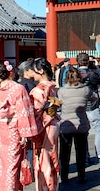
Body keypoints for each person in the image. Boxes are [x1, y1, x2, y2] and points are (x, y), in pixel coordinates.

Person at [0, 59, 39, 191]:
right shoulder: (18, 88)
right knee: (12, 164)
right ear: (11, 73)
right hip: (13, 131)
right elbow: (24, 112)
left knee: (0, 163)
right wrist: (26, 134)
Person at [58, 67, 96, 184]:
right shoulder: (85, 90)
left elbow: (58, 102)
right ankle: (82, 175)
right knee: (81, 152)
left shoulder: (62, 91)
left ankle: (64, 176)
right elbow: (94, 98)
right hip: (82, 124)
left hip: (66, 123)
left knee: (64, 153)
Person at [29, 57, 60, 191]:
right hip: (53, 123)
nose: (32, 73)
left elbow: (35, 110)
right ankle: (53, 186)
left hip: (44, 126)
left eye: (34, 71)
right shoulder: (53, 86)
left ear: (41, 71)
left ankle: (45, 188)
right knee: (52, 159)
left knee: (43, 162)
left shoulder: (39, 90)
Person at [76, 52, 100, 165]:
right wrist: (96, 66)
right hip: (92, 104)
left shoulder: (74, 73)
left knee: (83, 132)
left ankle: (85, 156)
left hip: (79, 105)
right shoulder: (92, 73)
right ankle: (99, 155)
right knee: (98, 129)